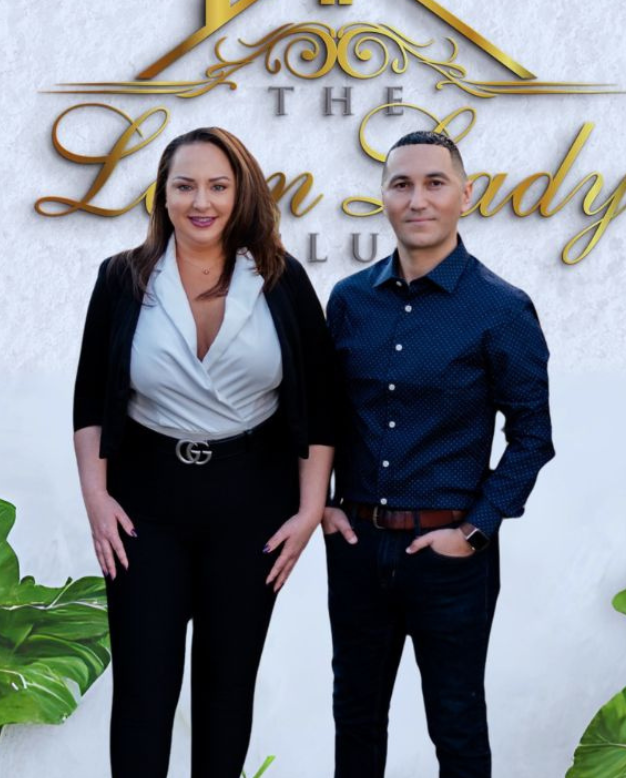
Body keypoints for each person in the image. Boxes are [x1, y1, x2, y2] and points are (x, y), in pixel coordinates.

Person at [72, 126, 335, 778]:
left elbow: (322, 401)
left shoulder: (279, 278)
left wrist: (309, 512)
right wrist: (96, 499)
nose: (202, 200)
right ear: (162, 195)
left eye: (218, 185)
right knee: (143, 690)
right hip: (145, 504)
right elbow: (89, 401)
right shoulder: (122, 279)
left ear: (240, 193)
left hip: (253, 502)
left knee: (226, 689)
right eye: (185, 184)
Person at [322, 130, 554, 778]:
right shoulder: (348, 301)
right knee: (356, 721)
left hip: (451, 558)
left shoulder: (500, 308)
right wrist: (322, 508)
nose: (417, 198)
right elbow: (324, 417)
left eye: (434, 182)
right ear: (384, 198)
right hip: (358, 547)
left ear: (465, 196)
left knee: (454, 723)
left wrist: (477, 530)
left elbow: (533, 435)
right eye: (401, 183)